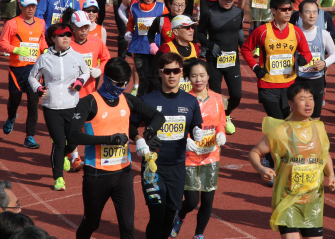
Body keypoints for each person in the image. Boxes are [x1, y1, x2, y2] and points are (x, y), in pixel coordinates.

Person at [68, 58, 166, 239]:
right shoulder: (89, 102)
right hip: (97, 174)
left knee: (128, 226)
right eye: (118, 83)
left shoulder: (127, 100)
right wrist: (108, 140)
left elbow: (158, 116)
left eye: (125, 83)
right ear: (106, 79)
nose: (122, 87)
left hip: (123, 173)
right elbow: (72, 136)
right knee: (92, 222)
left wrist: (149, 134)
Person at [249, 81, 335, 239]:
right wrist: (261, 169)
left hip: (313, 201)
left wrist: (331, 175)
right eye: (302, 99)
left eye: (311, 98)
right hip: (287, 200)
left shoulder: (319, 128)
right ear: (290, 103)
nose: (308, 103)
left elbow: (324, 154)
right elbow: (255, 152)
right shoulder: (279, 131)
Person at [133, 53, 204, 239]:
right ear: (160, 73)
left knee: (170, 214)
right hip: (152, 167)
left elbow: (197, 125)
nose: (171, 75)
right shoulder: (148, 100)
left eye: (176, 71)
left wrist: (197, 132)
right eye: (167, 71)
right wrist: (138, 138)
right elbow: (131, 124)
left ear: (181, 73)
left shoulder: (190, 101)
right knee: (157, 214)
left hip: (178, 166)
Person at [28, 24, 90, 191]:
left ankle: (63, 156)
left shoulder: (76, 56)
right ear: (53, 39)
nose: (66, 38)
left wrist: (80, 81)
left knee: (73, 140)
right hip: (51, 107)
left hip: (72, 105)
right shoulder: (44, 58)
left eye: (69, 35)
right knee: (59, 143)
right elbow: (32, 78)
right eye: (61, 35)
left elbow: (86, 72)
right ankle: (58, 179)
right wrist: (38, 88)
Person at [170, 59, 227, 239]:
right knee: (193, 200)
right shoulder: (184, 99)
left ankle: (199, 235)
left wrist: (221, 133)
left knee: (208, 200)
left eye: (202, 75)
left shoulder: (218, 99)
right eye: (194, 76)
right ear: (188, 78)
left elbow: (220, 121)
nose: (198, 80)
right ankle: (180, 215)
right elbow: (179, 126)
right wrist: (186, 139)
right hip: (189, 156)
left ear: (208, 76)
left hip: (211, 155)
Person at [240, 0, 312, 121]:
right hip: (268, 85)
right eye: (284, 9)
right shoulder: (262, 31)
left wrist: (304, 60)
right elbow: (245, 49)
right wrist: (256, 68)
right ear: (273, 11)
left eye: (290, 9)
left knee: (286, 120)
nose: (288, 12)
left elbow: (307, 53)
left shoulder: (296, 31)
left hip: (289, 85)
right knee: (277, 122)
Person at [0, 0, 46, 149]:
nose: (30, 9)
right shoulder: (12, 24)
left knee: (33, 104)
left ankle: (30, 137)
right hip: (17, 70)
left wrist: (45, 50)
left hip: (35, 70)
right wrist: (16, 50)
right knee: (15, 100)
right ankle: (11, 117)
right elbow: (2, 45)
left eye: (33, 6)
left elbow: (42, 41)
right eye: (27, 6)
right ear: (20, 6)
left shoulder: (41, 23)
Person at [197, 0, 244, 132]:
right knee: (216, 95)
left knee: (236, 95)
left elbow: (240, 30)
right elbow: (199, 34)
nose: (228, 1)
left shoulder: (238, 12)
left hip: (232, 59)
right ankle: (219, 122)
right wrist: (210, 45)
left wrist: (244, 45)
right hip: (214, 60)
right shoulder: (209, 13)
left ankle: (226, 114)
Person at [294, 0, 335, 120]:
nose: (312, 15)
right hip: (299, 80)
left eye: (315, 12)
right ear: (300, 14)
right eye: (308, 12)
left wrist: (324, 63)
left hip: (317, 81)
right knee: (299, 115)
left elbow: (334, 54)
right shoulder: (294, 33)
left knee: (315, 117)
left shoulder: (324, 34)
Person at [124, 0, 165, 96]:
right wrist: (128, 31)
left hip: (156, 48)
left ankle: (156, 101)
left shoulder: (161, 8)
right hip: (139, 48)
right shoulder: (134, 7)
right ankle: (141, 104)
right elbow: (131, 22)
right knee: (143, 80)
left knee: (155, 79)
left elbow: (166, 25)